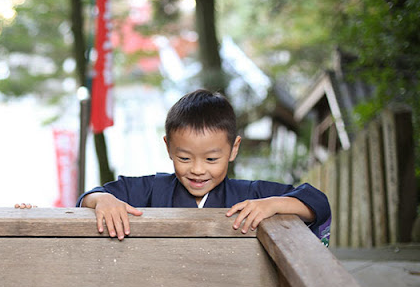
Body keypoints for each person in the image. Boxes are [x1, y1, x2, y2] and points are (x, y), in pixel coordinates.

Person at [77, 89, 331, 244]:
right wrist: (103, 200)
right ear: (168, 148)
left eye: (211, 159)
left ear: (234, 149)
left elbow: (316, 202)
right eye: (185, 158)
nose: (198, 170)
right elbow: (90, 196)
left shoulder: (250, 195)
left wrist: (273, 204)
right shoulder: (152, 189)